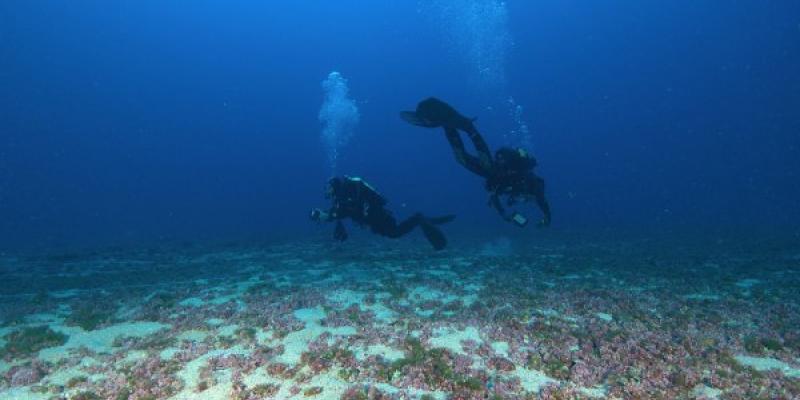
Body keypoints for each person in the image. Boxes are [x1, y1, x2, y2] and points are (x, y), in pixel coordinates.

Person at [401, 97, 551, 227]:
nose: (524, 200)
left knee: (461, 159)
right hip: (497, 170)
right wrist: (547, 218)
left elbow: (494, 196)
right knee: (487, 165)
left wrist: (504, 215)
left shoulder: (518, 190)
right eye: (527, 199)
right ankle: (470, 128)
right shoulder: (534, 186)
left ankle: (447, 126)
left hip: (493, 174)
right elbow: (542, 202)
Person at [310, 176, 455, 250]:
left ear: (334, 187)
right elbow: (340, 212)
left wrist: (325, 216)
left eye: (328, 188)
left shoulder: (345, 196)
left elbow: (342, 212)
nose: (326, 191)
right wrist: (324, 214)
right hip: (374, 217)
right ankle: (419, 219)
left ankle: (418, 218)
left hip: (377, 216)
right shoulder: (343, 196)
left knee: (394, 233)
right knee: (393, 233)